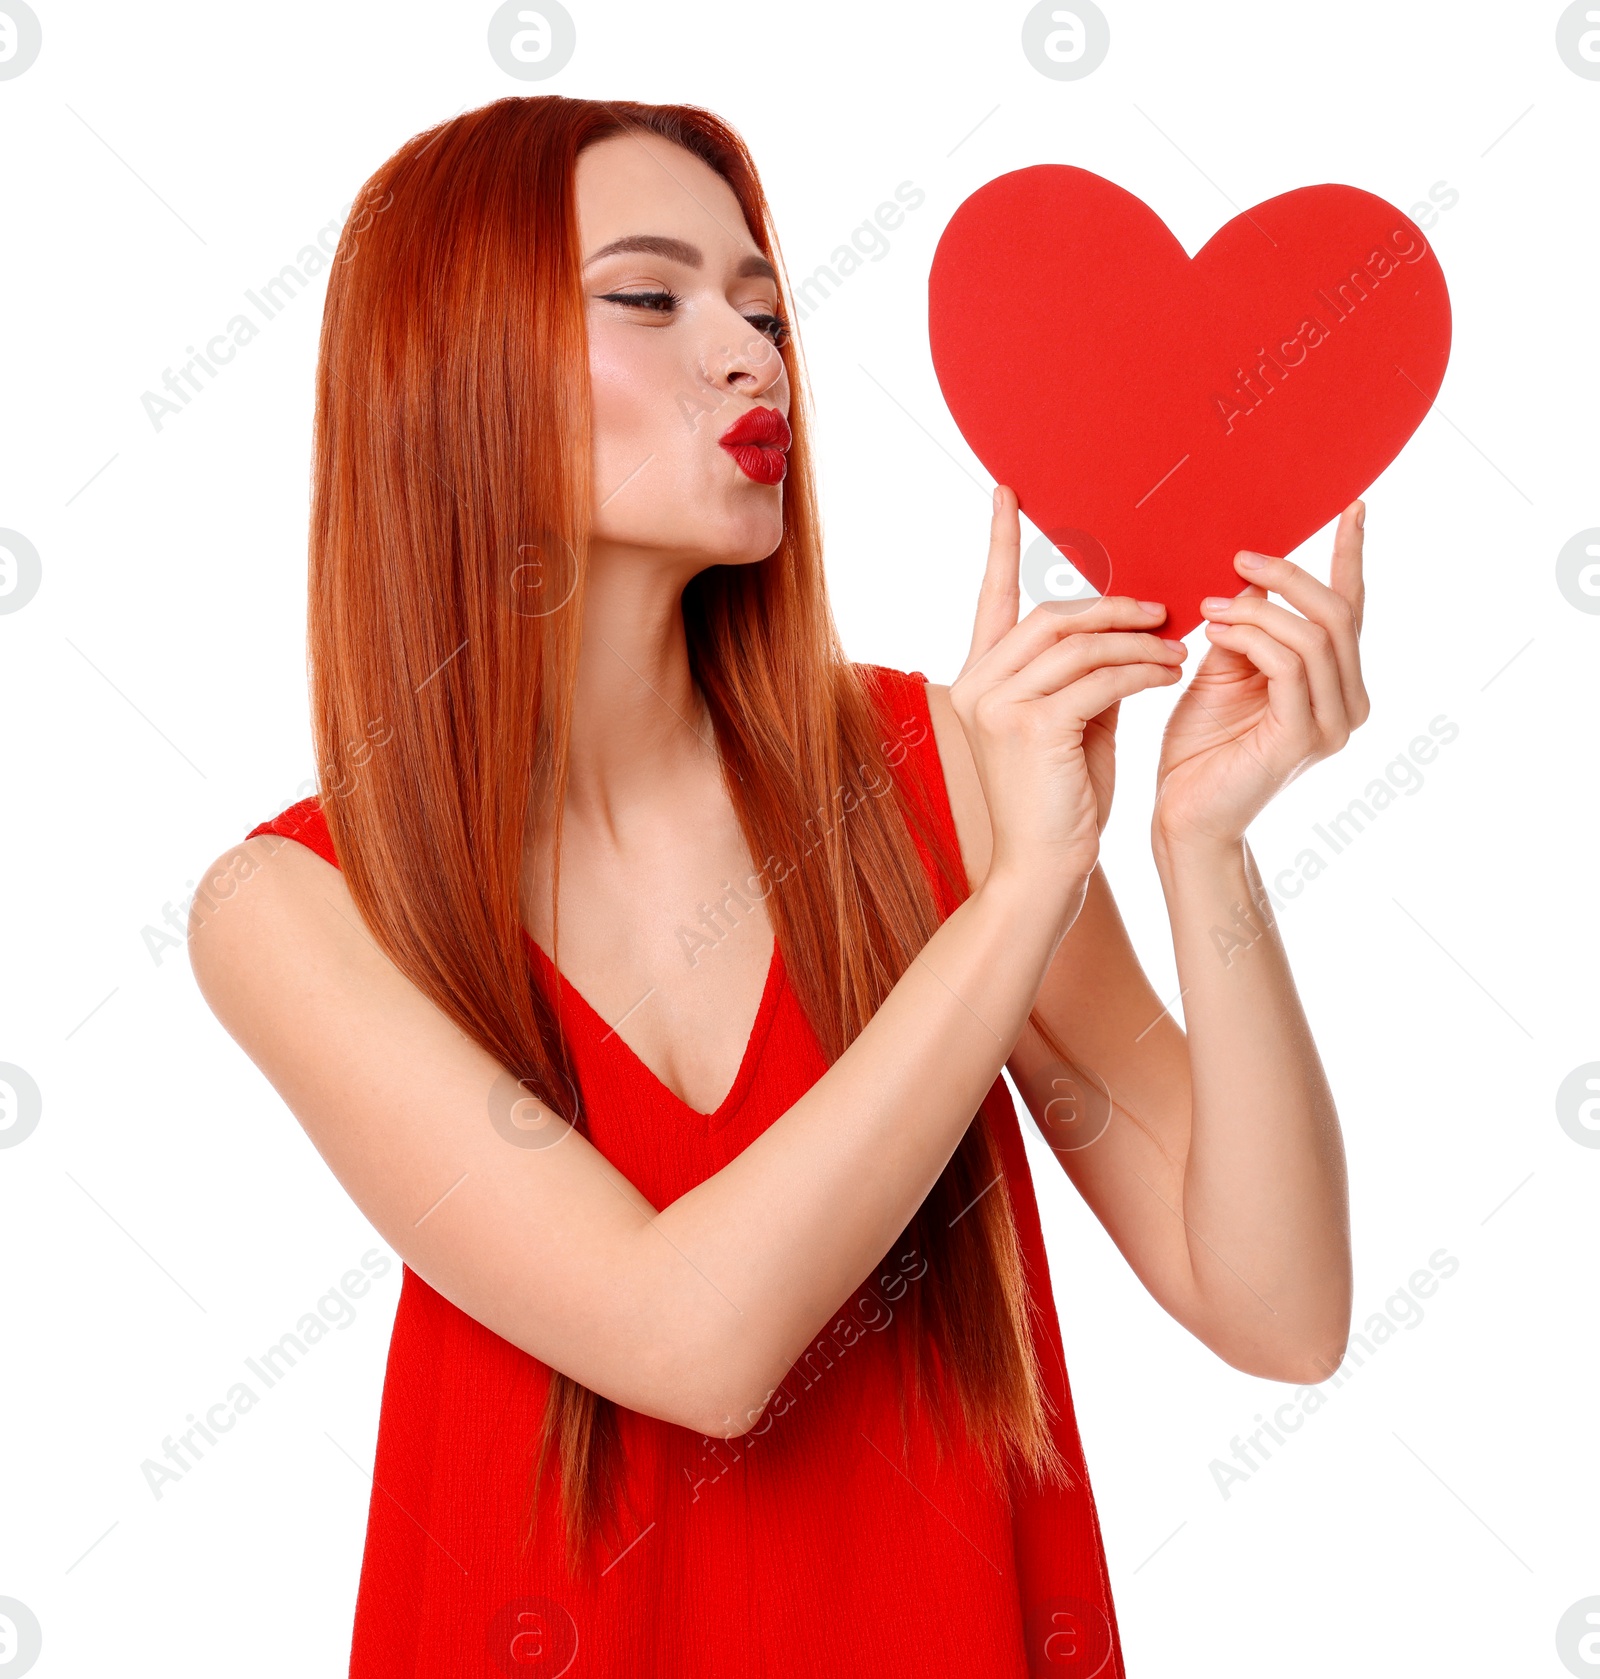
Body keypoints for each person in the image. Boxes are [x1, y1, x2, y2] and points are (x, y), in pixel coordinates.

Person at [189, 94, 1364, 1677]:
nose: (752, 356)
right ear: (455, 365)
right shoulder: (297, 912)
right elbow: (692, 1345)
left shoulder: (937, 774)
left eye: (759, 303)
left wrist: (1200, 848)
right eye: (650, 297)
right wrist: (1015, 894)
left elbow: (1279, 1311)